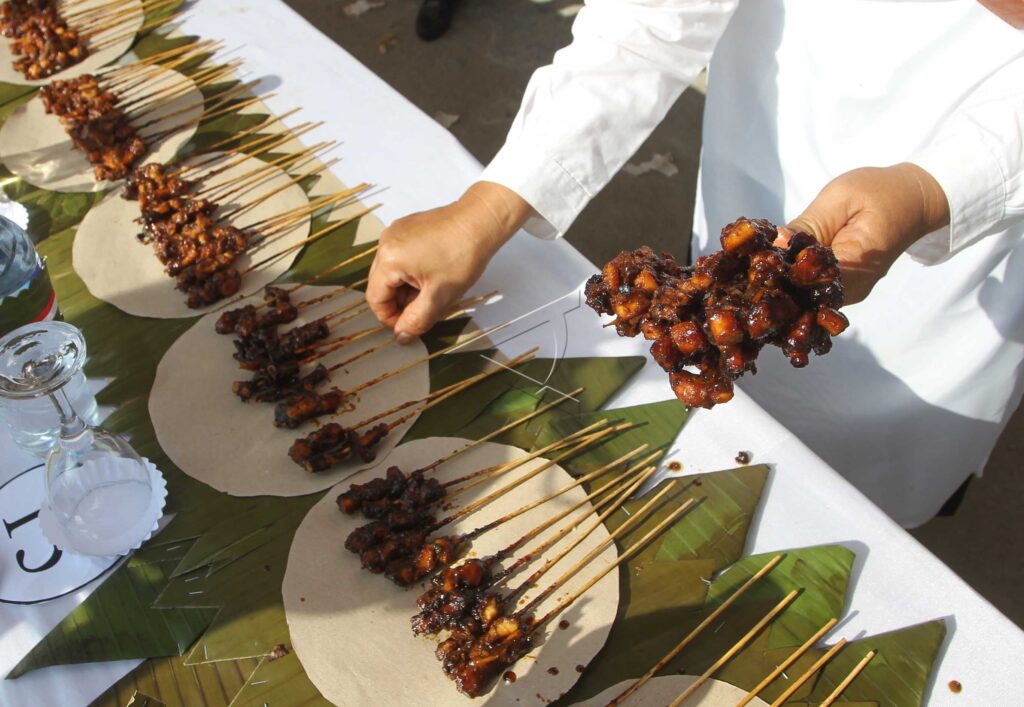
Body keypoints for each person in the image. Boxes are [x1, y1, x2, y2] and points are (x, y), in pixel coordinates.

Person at [367, 0, 1024, 528]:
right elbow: (650, 21)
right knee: (708, 376)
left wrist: (938, 188)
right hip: (755, 173)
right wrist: (490, 204)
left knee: (856, 514)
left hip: (956, 288)